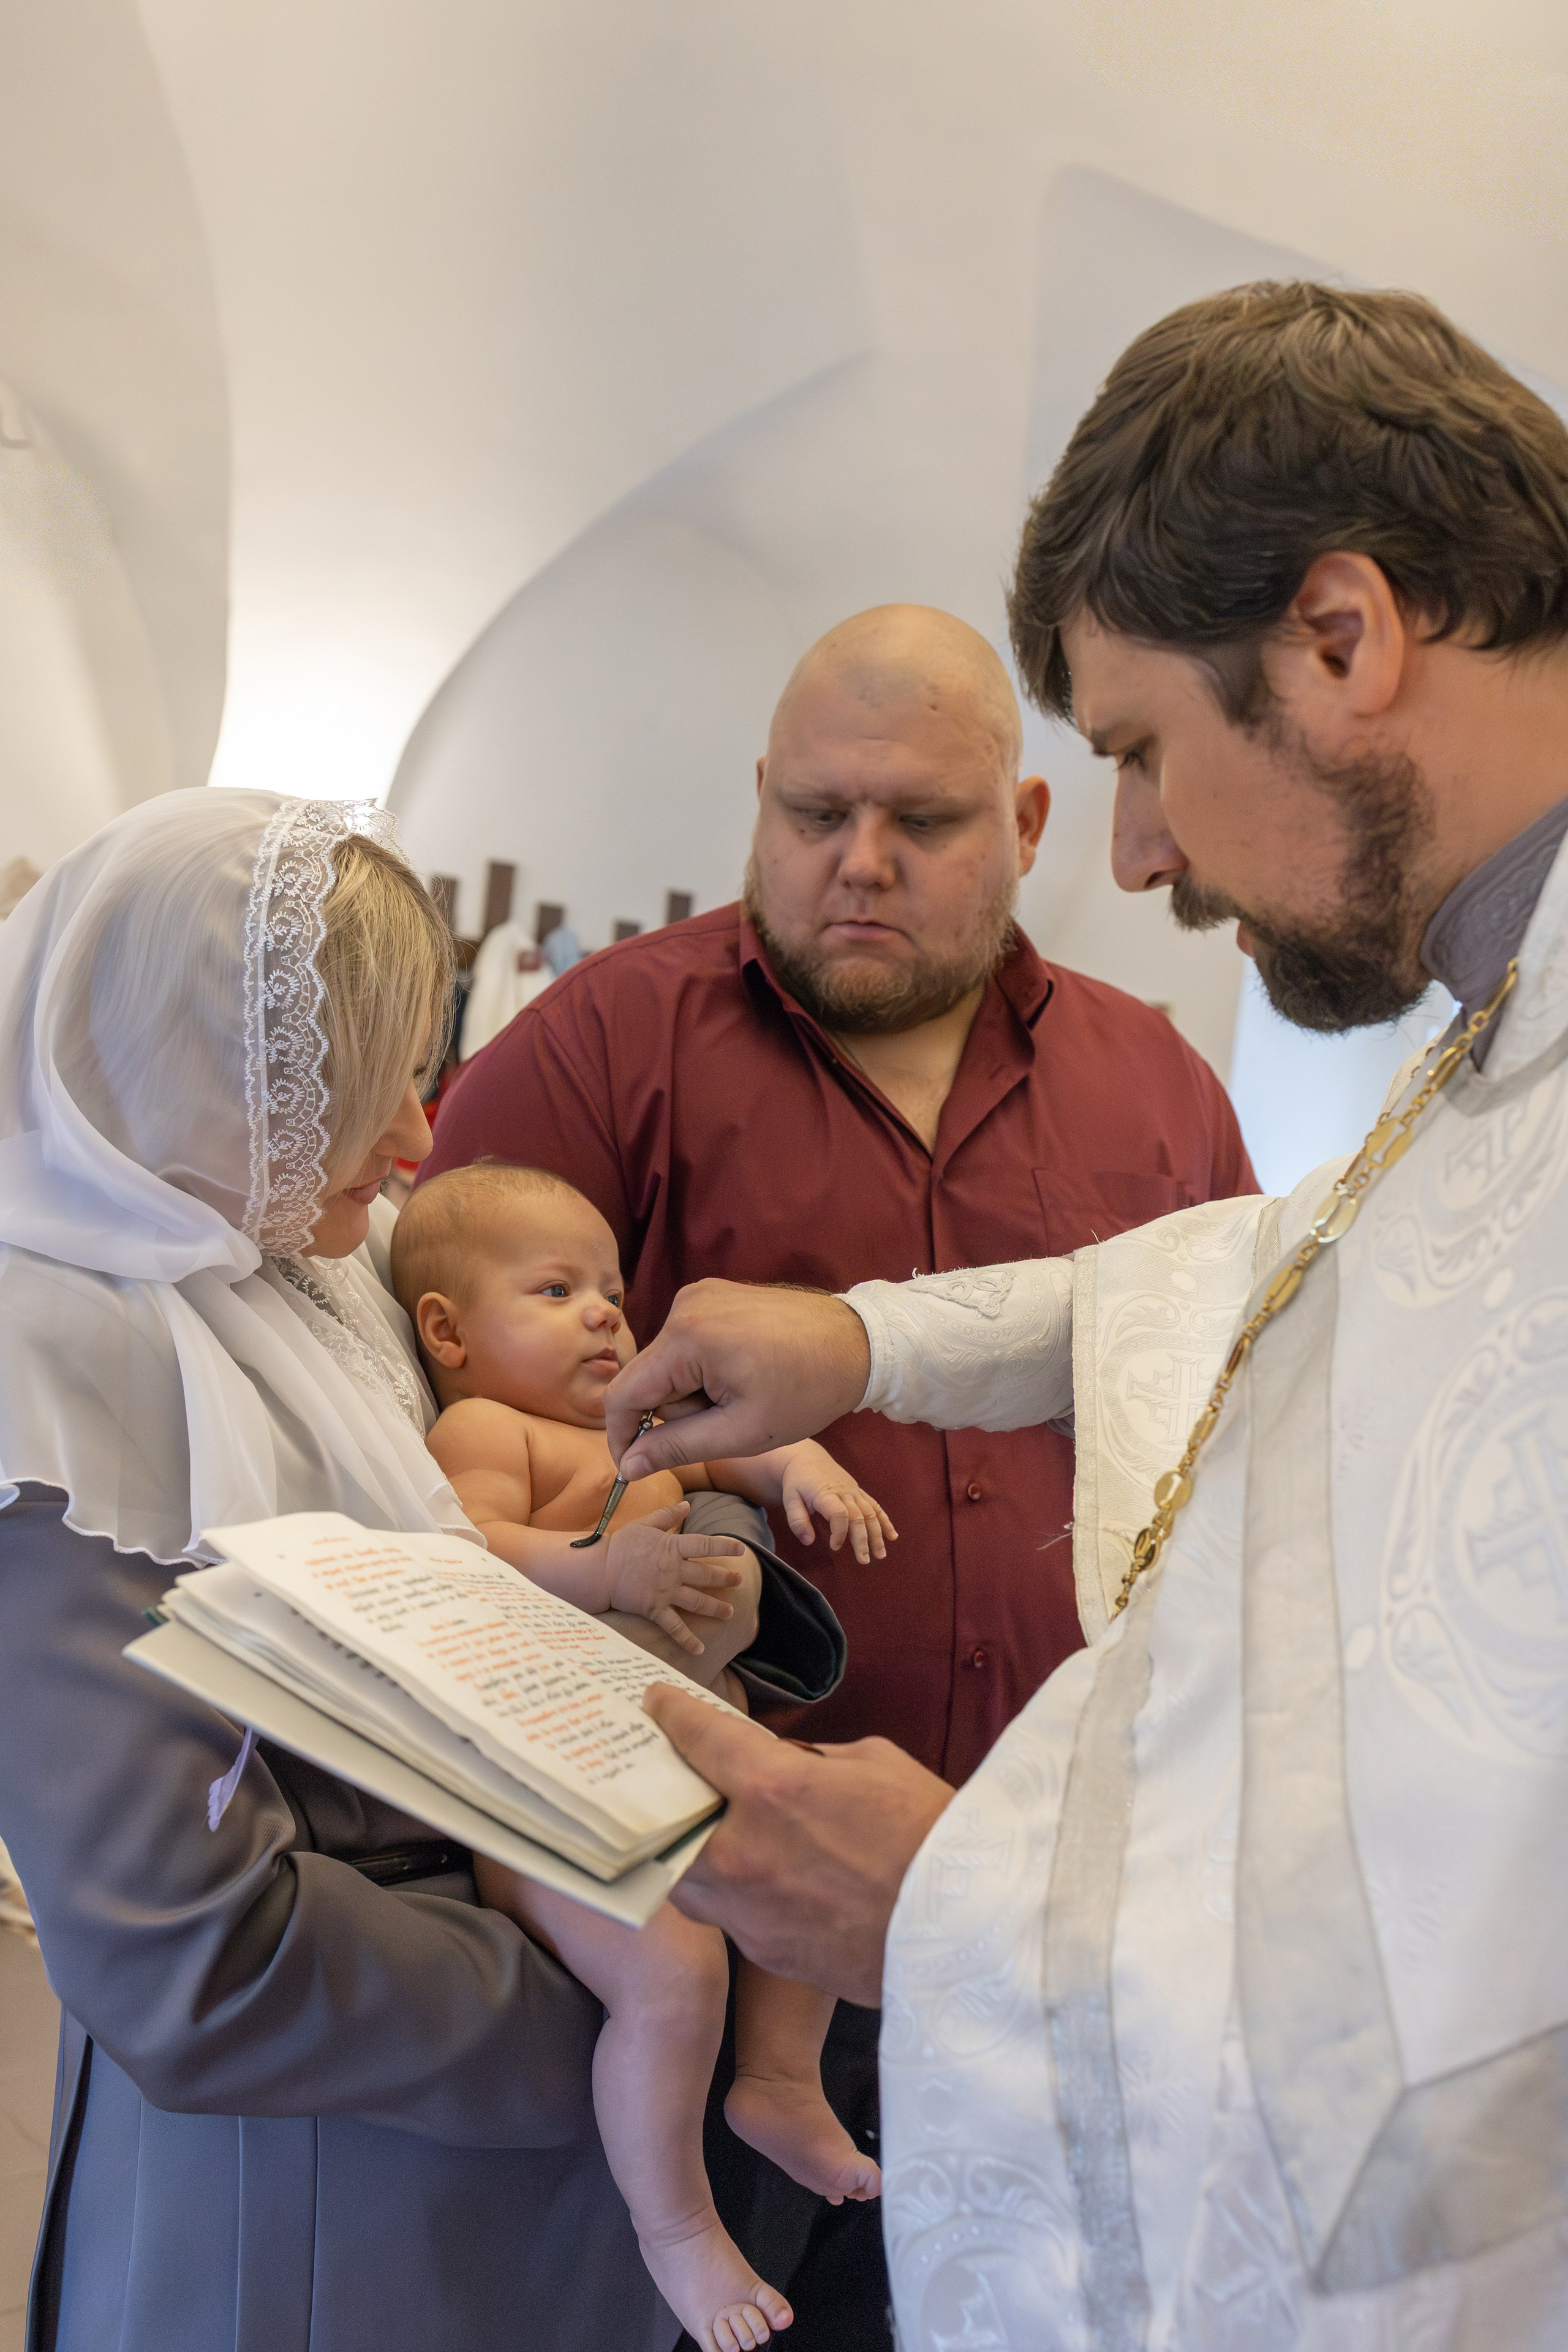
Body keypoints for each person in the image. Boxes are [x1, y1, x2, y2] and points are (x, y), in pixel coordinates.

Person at [601, 282, 1568, 2351]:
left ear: (1341, 638)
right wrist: (863, 1343)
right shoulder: (1513, 1044)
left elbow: (1497, 1988)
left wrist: (966, 1921)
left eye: (1138, 752)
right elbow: (1280, 1265)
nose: (1130, 854)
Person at [423, 601, 1256, 2346]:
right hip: (696, 1921)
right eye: (814, 814)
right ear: (759, 802)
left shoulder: (1157, 1086)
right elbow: (417, 1350)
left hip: (1029, 1910)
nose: (856, 862)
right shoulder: (605, 1041)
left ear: (1025, 827)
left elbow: (1224, 1427)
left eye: (921, 821)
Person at [0, 791, 682, 2351]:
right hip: (322, 2188)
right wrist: (606, 2010)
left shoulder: (302, 1261)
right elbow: (194, 1956)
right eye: (355, 1089)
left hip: (492, 2145)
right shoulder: (50, 1365)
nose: (419, 1137)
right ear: (209, 1067)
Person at [390, 1160, 889, 2350]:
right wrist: (597, 1571)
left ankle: (776, 2082)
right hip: (550, 1796)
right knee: (676, 1974)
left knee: (805, 1873)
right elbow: (466, 1554)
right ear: (449, 1333)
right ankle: (674, 2227)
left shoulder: (645, 1432)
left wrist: (801, 1463)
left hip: (687, 1784)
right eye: (556, 1290)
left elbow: (745, 1449)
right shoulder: (489, 1428)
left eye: (610, 1288)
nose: (606, 1312)